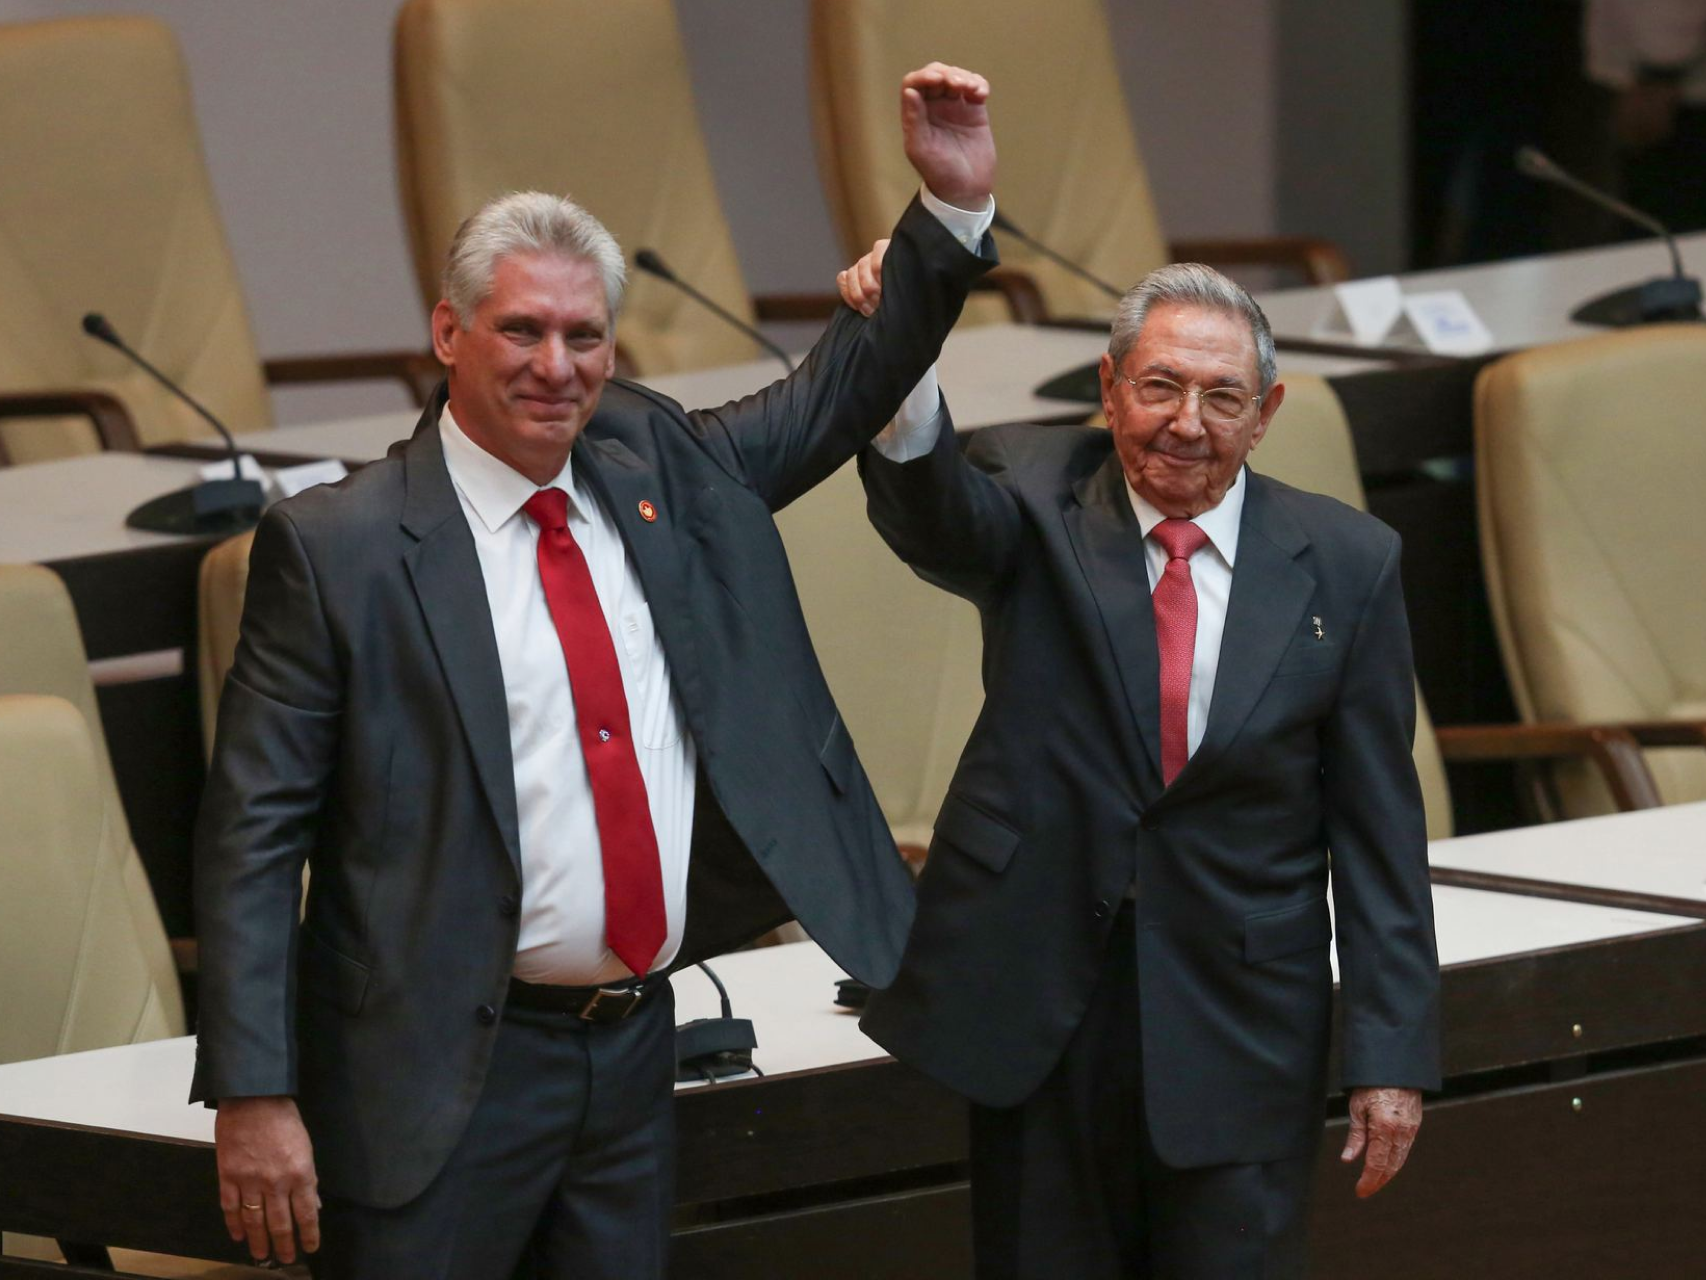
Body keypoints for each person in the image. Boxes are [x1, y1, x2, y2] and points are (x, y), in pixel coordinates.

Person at [191, 62, 997, 1278]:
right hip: (431, 1076)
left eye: (583, 336)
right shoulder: (338, 548)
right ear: (448, 333)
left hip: (627, 1056)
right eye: (520, 330)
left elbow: (834, 395)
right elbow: (252, 836)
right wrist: (254, 1091)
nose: (555, 366)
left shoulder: (657, 465)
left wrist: (945, 212)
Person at [837, 252, 1440, 1277]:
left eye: (1222, 396)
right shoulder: (1034, 494)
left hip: (1241, 1018)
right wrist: (901, 347)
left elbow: (1378, 828)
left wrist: (1390, 1057)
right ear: (1109, 389)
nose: (1186, 423)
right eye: (1159, 386)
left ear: (1266, 413)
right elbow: (932, 511)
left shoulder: (1348, 560)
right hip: (1043, 1010)